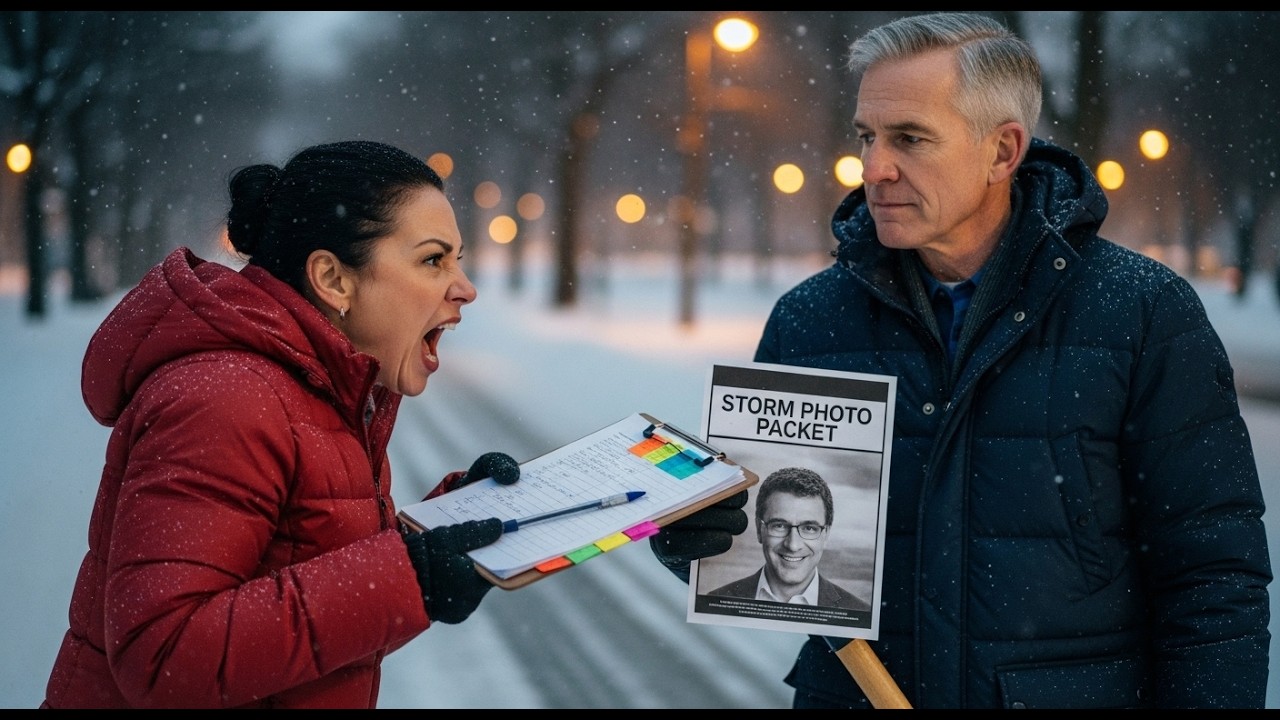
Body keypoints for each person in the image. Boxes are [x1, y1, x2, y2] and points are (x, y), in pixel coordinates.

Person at [653, 12, 1272, 709]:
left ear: (1003, 152)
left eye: (910, 138)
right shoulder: (812, 321)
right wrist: (703, 542)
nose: (874, 167)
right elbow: (785, 565)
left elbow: (1214, 580)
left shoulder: (1140, 313)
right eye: (868, 136)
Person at [42, 140, 522, 709]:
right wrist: (405, 576)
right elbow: (164, 656)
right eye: (433, 259)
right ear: (334, 279)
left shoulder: (320, 391)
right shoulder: (225, 398)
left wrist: (436, 537)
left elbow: (295, 586)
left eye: (458, 259)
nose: (464, 287)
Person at [707, 467, 867, 611]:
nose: (793, 545)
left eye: (809, 528)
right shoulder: (715, 600)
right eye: (779, 526)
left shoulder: (860, 611)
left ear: (826, 535)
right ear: (759, 529)